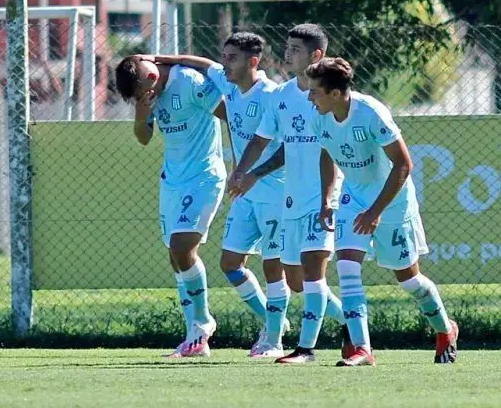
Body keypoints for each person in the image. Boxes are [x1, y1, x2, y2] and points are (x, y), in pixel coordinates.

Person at [306, 56, 458, 366]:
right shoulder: (319, 115)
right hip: (354, 199)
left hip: (392, 202)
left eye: (315, 91)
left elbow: (404, 164)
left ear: (335, 93)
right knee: (347, 265)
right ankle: (363, 349)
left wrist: (376, 211)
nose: (309, 97)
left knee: (409, 280)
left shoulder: (371, 113)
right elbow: (326, 155)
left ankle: (445, 329)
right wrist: (326, 200)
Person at [229, 24, 352, 364]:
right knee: (296, 281)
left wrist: (329, 196)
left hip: (321, 196)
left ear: (316, 55)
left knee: (314, 275)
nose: (287, 54)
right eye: (287, 47)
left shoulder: (326, 98)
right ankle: (352, 325)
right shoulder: (281, 96)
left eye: (296, 49)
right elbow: (264, 141)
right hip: (291, 199)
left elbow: (331, 150)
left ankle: (306, 350)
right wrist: (245, 172)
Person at [115, 53, 225, 357]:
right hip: (172, 181)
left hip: (204, 177)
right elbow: (143, 137)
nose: (146, 99)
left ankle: (203, 322)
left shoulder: (188, 81)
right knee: (175, 258)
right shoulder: (147, 95)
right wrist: (140, 113)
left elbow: (230, 114)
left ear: (151, 78)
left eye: (143, 95)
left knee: (182, 248)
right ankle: (194, 338)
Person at [203, 32, 292, 358]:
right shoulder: (229, 86)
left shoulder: (272, 95)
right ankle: (274, 323)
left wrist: (252, 174)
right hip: (245, 192)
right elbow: (203, 65)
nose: (224, 64)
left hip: (274, 194)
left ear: (252, 61)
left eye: (232, 58)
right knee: (229, 263)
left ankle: (274, 341)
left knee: (275, 269)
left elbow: (286, 148)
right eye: (224, 56)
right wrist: (161, 61)